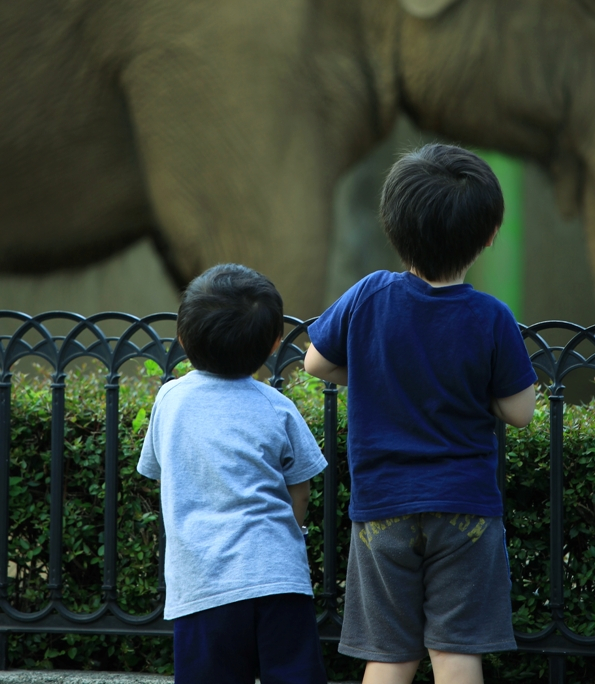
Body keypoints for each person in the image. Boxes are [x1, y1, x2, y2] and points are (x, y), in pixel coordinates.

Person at [304, 144, 537, 684]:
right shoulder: (491, 316)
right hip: (465, 507)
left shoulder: (369, 295)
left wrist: (373, 375)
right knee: (456, 653)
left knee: (388, 656)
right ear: (488, 235)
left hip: (382, 506)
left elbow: (317, 363)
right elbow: (521, 412)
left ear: (394, 226)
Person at [137, 263, 328, 684]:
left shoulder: (170, 400)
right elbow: (301, 484)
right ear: (275, 344)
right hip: (280, 579)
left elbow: (157, 470)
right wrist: (289, 528)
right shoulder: (278, 407)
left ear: (183, 338)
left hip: (202, 587)